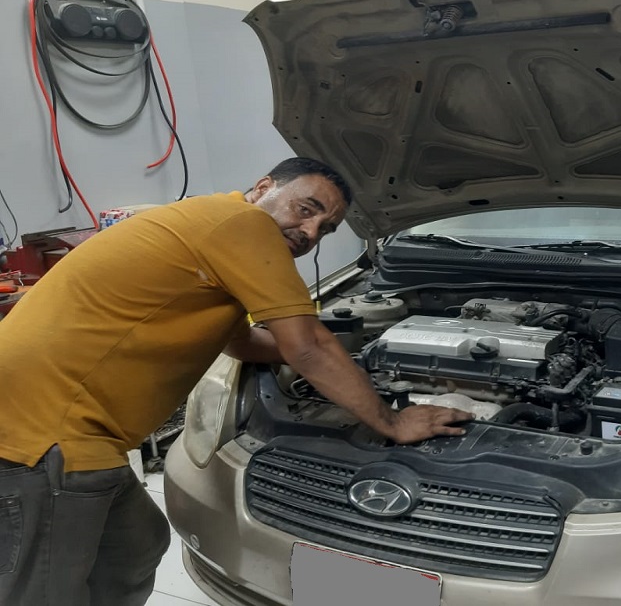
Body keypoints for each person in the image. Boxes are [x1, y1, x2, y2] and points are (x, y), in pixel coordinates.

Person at [0, 157, 473, 606]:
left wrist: (354, 358)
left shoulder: (209, 224)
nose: (310, 232)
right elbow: (306, 346)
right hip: (44, 436)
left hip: (72, 429)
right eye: (305, 209)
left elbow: (240, 342)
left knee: (135, 548)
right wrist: (393, 421)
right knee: (42, 590)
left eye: (325, 229)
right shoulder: (242, 224)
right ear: (264, 188)